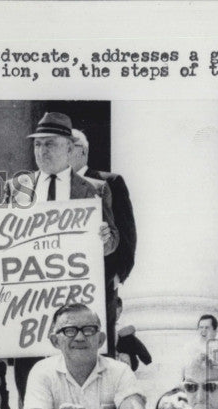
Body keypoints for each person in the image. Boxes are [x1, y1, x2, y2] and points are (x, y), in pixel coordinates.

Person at [0, 113, 118, 404]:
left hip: (75, 305)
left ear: (69, 148)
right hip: (30, 309)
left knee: (79, 387)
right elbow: (2, 241)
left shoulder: (95, 189)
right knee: (29, 392)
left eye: (50, 144)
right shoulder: (17, 188)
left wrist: (105, 239)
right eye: (37, 145)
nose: (42, 152)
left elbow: (114, 241)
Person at [23, 303, 149, 409]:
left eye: (89, 330)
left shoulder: (120, 371)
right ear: (55, 341)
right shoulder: (42, 371)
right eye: (69, 331)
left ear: (101, 339)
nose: (80, 337)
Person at [70, 127, 137, 349]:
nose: (65, 152)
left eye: (71, 146)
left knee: (99, 341)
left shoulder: (110, 182)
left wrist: (120, 273)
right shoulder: (50, 188)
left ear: (84, 152)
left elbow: (126, 231)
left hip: (102, 278)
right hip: (63, 278)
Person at [114, 296, 153, 371]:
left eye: (118, 313)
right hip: (114, 352)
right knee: (130, 339)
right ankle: (147, 359)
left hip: (126, 353)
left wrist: (117, 335)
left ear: (121, 310)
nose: (116, 315)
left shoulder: (122, 322)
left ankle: (147, 359)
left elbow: (132, 328)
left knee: (130, 339)